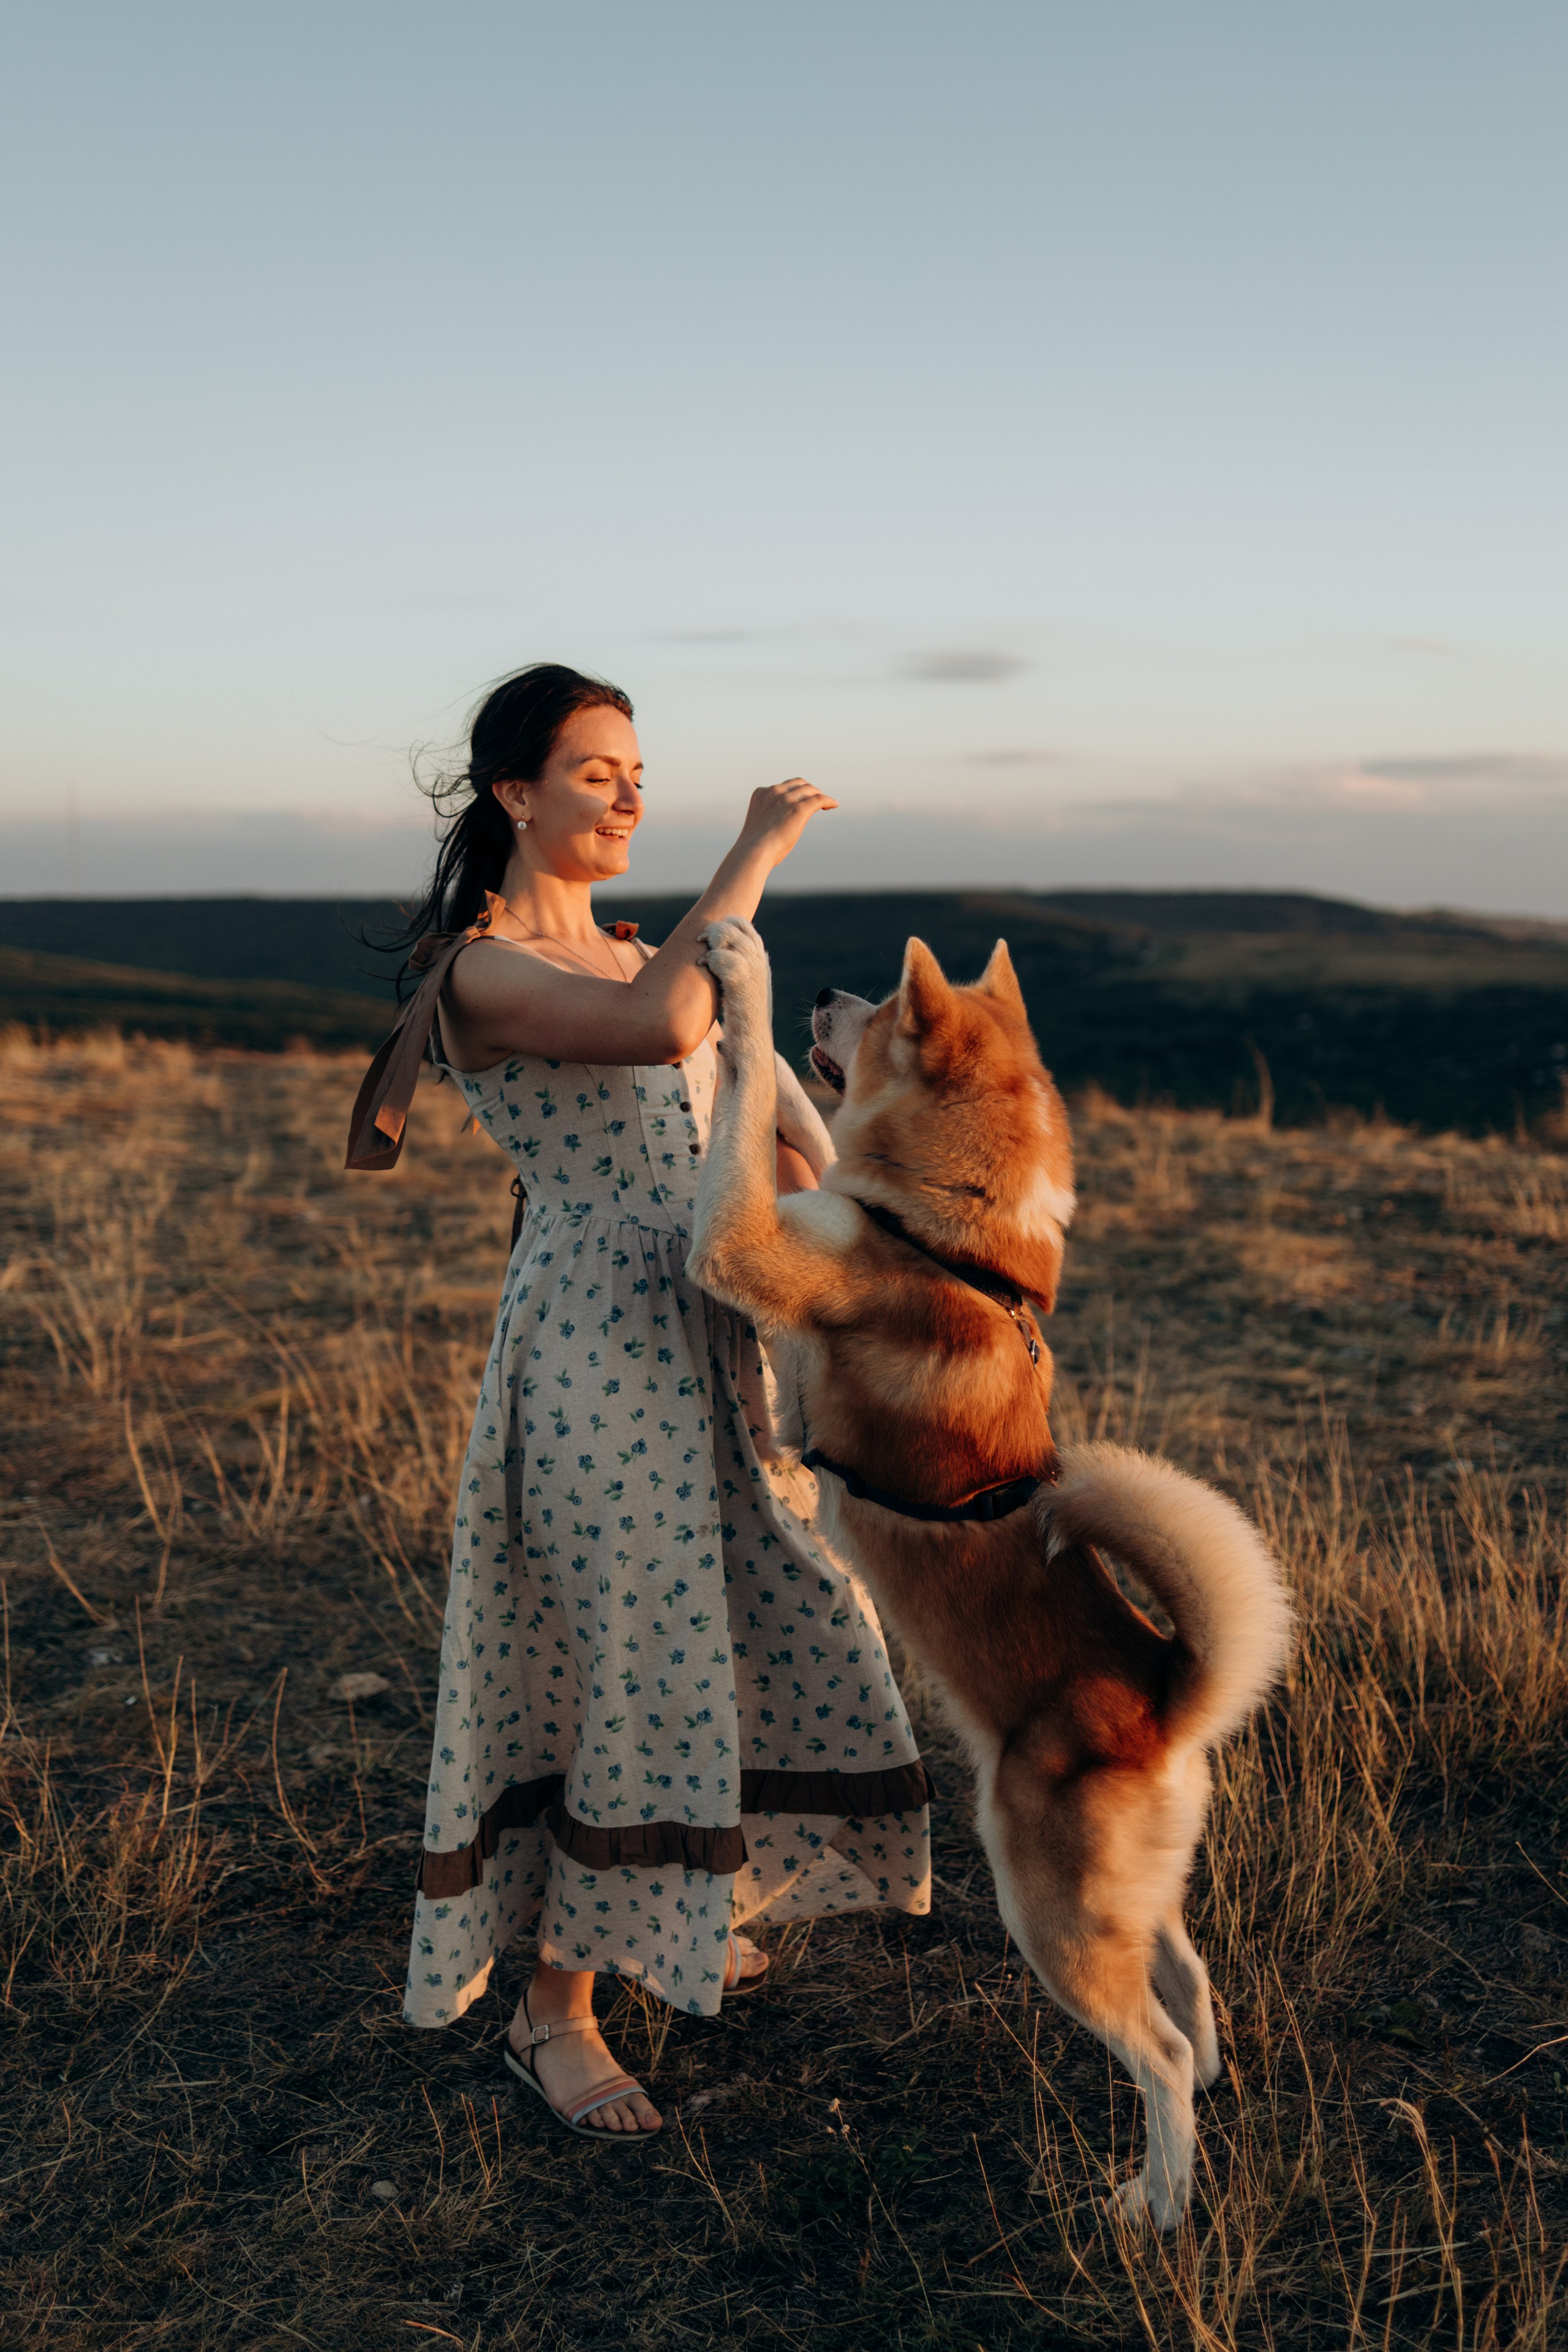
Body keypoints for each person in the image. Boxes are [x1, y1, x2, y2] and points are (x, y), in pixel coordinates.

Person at [349, 664, 931, 2142]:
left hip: (715, 1319)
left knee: (754, 1602)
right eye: (597, 769)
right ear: (516, 795)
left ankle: (675, 1896)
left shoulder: (628, 946)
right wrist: (751, 855)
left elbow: (735, 1110)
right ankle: (554, 2018)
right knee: (627, 1650)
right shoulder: (479, 971)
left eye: (635, 768)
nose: (629, 792)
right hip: (599, 1341)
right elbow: (665, 1028)